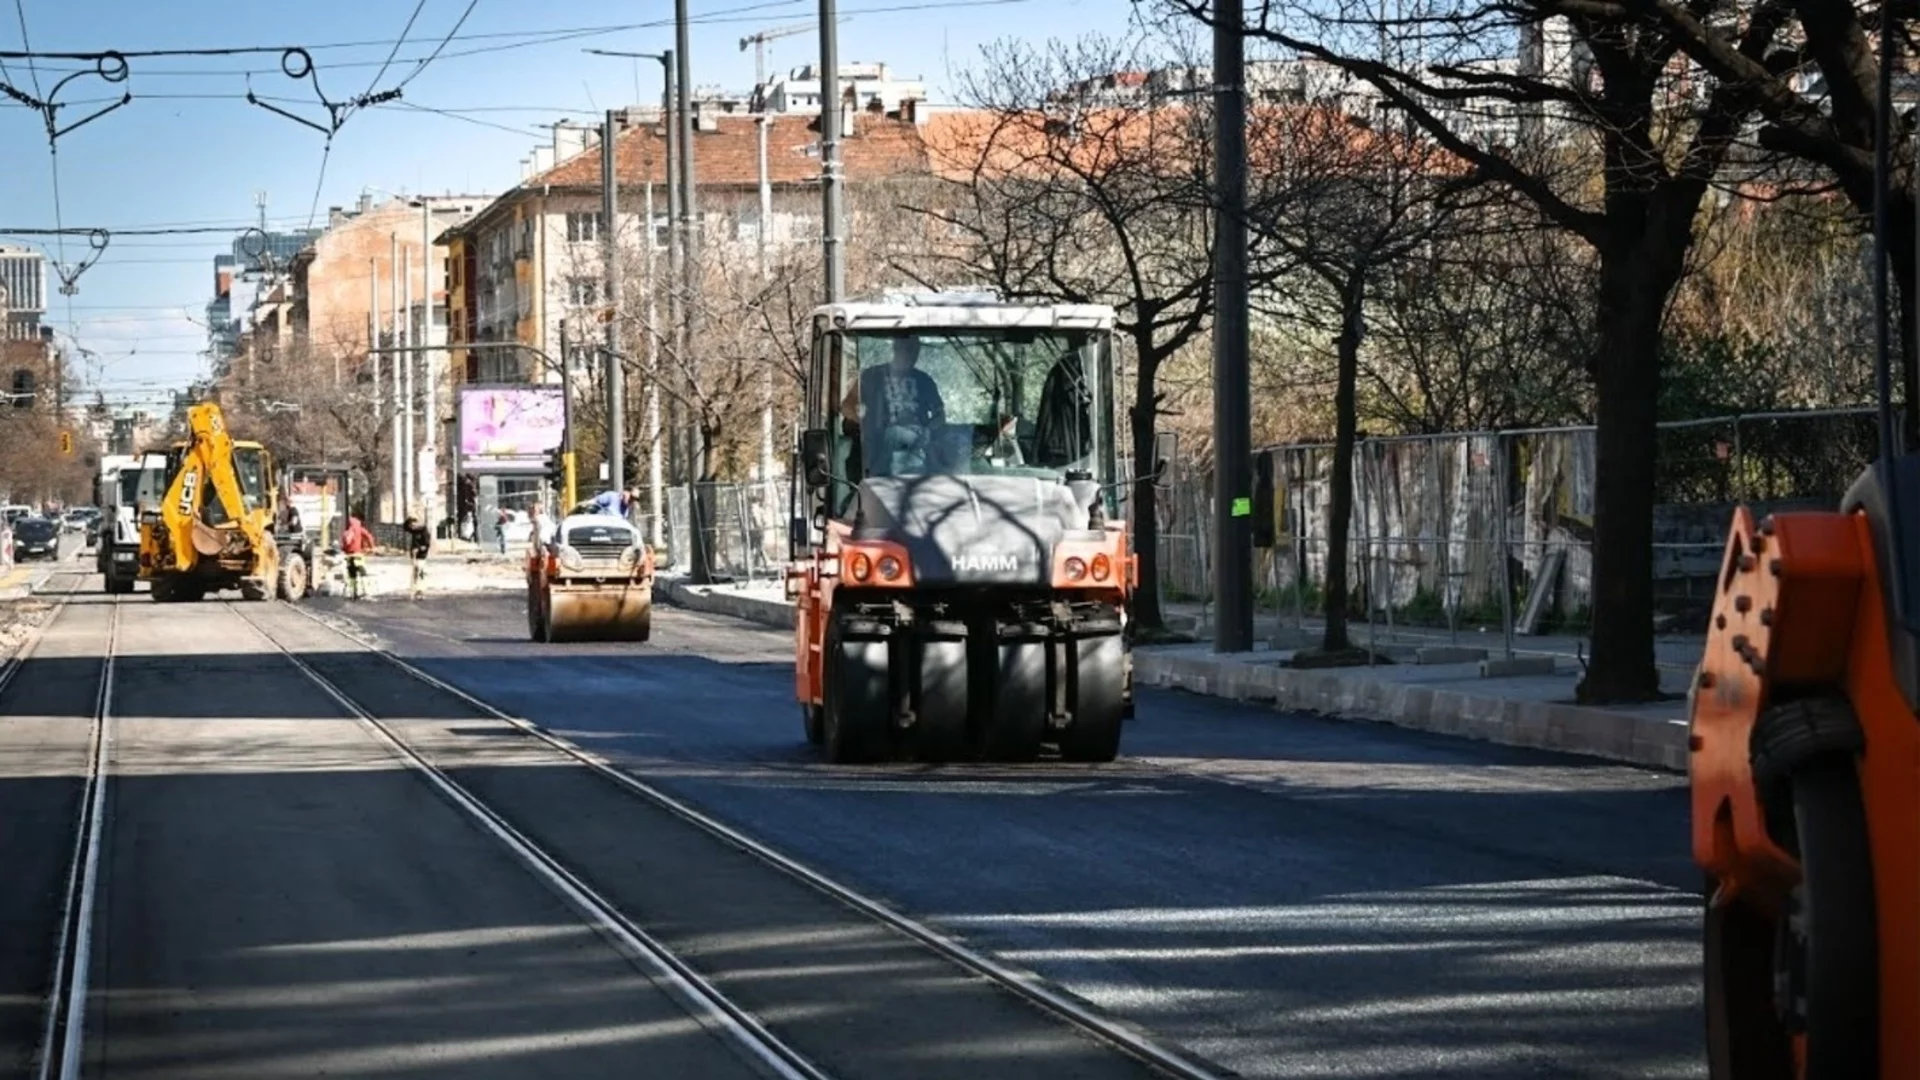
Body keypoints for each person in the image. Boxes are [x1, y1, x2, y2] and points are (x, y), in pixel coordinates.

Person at [840, 336, 945, 476]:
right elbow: (847, 406)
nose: (911, 354)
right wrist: (865, 425)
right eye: (907, 349)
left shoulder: (924, 381)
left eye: (915, 350)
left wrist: (928, 431)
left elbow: (940, 414)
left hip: (915, 448)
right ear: (896, 348)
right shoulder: (872, 376)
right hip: (878, 451)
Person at [340, 515, 375, 600]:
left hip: (349, 556)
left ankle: (353, 593)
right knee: (363, 573)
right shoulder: (359, 528)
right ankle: (366, 592)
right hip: (358, 554)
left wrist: (345, 550)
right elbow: (368, 536)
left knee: (352, 575)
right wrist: (372, 547)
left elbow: (344, 543)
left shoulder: (347, 531)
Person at [403, 514, 432, 601]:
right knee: (414, 572)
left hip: (421, 555)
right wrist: (409, 518)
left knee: (420, 571)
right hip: (414, 555)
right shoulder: (413, 530)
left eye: (413, 525)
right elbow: (405, 528)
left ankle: (421, 590)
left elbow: (426, 545)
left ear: (417, 523)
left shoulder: (424, 531)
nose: (412, 527)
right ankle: (414, 589)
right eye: (411, 526)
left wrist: (418, 549)